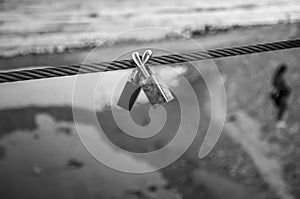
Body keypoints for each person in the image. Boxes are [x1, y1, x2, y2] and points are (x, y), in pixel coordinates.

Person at [270, 63, 291, 128]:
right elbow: (279, 87)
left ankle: (280, 122)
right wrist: (286, 90)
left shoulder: (278, 77)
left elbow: (279, 86)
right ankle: (279, 122)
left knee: (283, 107)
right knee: (283, 107)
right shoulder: (278, 78)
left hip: (279, 94)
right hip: (279, 95)